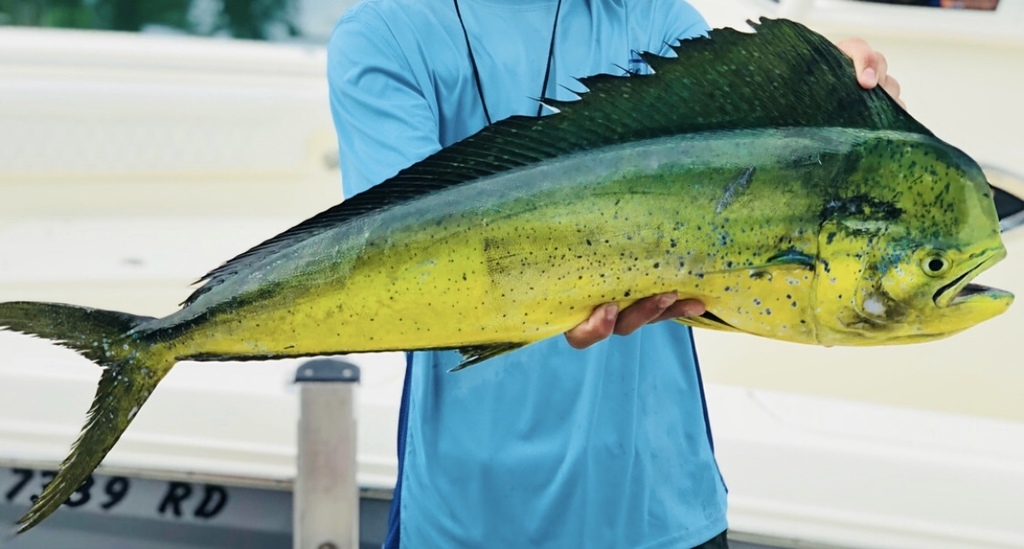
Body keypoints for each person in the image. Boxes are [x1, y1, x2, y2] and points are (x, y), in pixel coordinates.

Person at [327, 2, 902, 547]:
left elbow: (747, 175)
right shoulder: (384, 33)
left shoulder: (653, 17)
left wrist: (822, 92)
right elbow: (406, 258)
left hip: (662, 508)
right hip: (469, 520)